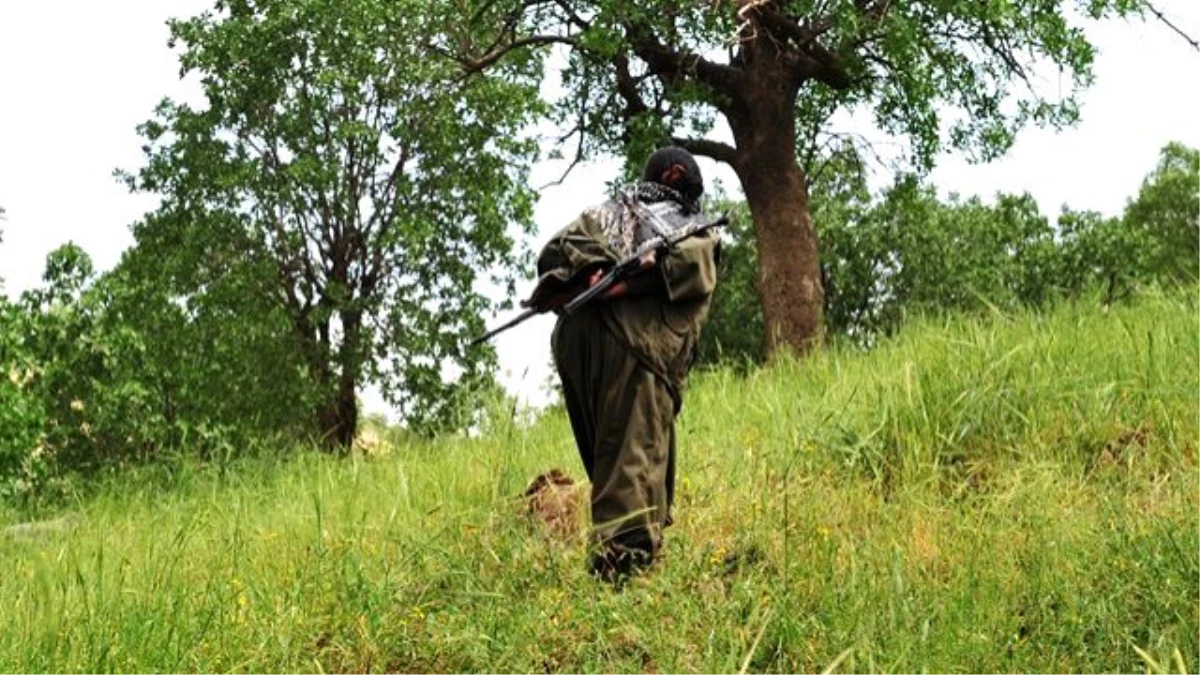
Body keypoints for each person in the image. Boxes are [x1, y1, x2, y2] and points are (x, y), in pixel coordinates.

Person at [522, 146, 720, 582]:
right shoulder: (694, 227)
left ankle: (626, 546)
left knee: (609, 456)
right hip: (638, 346)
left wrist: (595, 276)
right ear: (677, 176)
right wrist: (613, 283)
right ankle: (621, 575)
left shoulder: (604, 214)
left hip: (577, 344)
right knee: (631, 458)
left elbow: (554, 254)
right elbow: (691, 266)